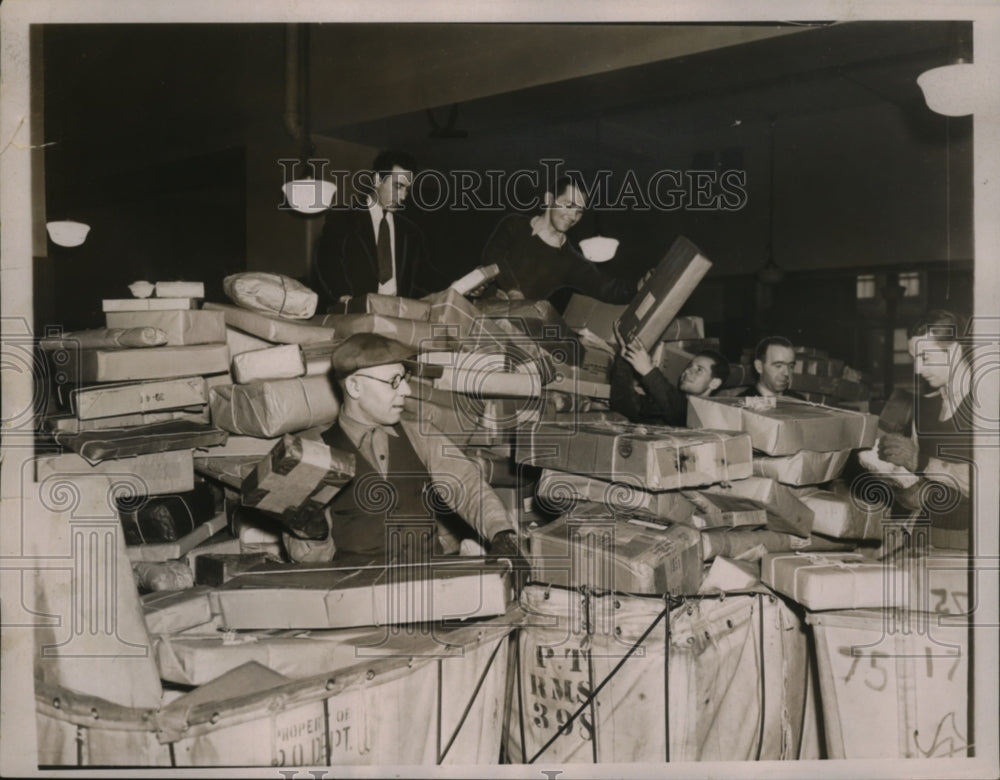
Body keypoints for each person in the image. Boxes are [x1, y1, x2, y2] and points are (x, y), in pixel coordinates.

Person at [280, 333, 527, 570]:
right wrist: (314, 535)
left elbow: (466, 484)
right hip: (356, 596)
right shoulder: (314, 450)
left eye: (404, 378)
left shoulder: (420, 434)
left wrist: (501, 532)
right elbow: (313, 565)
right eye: (393, 382)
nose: (406, 391)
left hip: (428, 588)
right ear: (355, 387)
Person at [877, 309, 974, 550]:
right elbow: (916, 482)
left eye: (926, 357)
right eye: (914, 359)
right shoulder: (923, 408)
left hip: (975, 540)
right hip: (927, 536)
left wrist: (920, 461)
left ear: (953, 351)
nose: (918, 369)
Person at [480, 173, 637, 310]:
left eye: (579, 211)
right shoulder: (514, 224)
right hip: (480, 307)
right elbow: (493, 257)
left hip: (514, 325)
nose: (573, 216)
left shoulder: (570, 260)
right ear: (549, 199)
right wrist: (513, 291)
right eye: (569, 205)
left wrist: (638, 287)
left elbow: (604, 288)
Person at [312, 150, 445, 309]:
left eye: (407, 189)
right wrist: (343, 296)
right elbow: (328, 260)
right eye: (398, 186)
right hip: (357, 313)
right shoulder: (344, 217)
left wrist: (460, 286)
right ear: (377, 180)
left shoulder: (410, 231)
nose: (403, 196)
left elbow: (425, 274)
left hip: (398, 316)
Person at [610, 333, 730, 426]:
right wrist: (623, 360)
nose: (687, 371)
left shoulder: (706, 415)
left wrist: (648, 370)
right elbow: (623, 404)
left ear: (714, 383)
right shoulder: (665, 404)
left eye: (699, 369)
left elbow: (680, 410)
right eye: (689, 366)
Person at [738, 336, 806, 399]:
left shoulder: (799, 401)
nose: (787, 373)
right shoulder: (741, 403)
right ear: (759, 367)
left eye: (791, 366)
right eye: (778, 366)